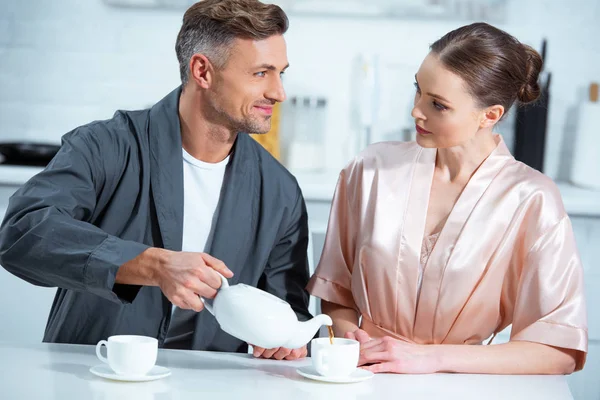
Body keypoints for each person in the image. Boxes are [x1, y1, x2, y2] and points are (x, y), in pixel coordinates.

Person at [0, 0, 310, 361]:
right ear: (202, 71)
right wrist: (151, 264)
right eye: (261, 73)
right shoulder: (106, 146)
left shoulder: (280, 192)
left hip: (213, 386)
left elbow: (290, 311)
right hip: (93, 375)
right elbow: (21, 233)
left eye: (280, 73)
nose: (278, 93)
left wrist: (289, 341)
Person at [307, 22, 587, 374]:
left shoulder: (532, 199)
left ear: (490, 115)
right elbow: (336, 292)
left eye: (438, 105)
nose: (416, 111)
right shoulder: (371, 170)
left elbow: (558, 351)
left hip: (460, 387)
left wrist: (428, 359)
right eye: (418, 90)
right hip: (362, 380)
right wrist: (352, 344)